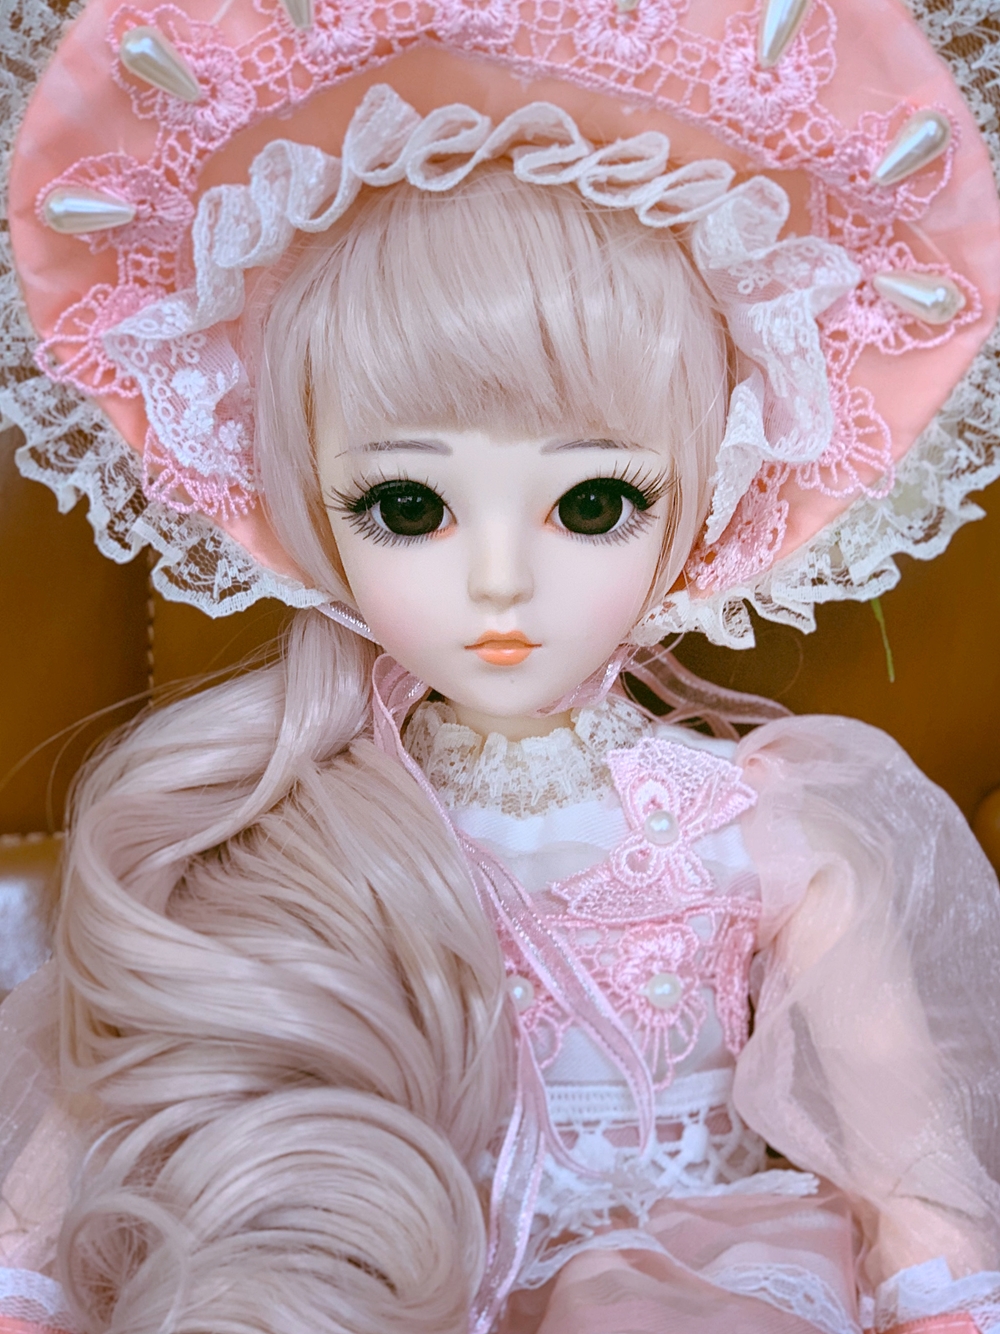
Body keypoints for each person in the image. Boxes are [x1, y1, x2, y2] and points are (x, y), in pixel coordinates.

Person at [1, 0, 1000, 1330]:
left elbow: (910, 1174)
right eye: (406, 507)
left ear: (720, 494)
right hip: (343, 1276)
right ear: (300, 505)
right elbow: (67, 1159)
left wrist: (942, 1290)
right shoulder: (269, 821)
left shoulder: (762, 829)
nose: (499, 582)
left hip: (690, 1284)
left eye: (594, 504)